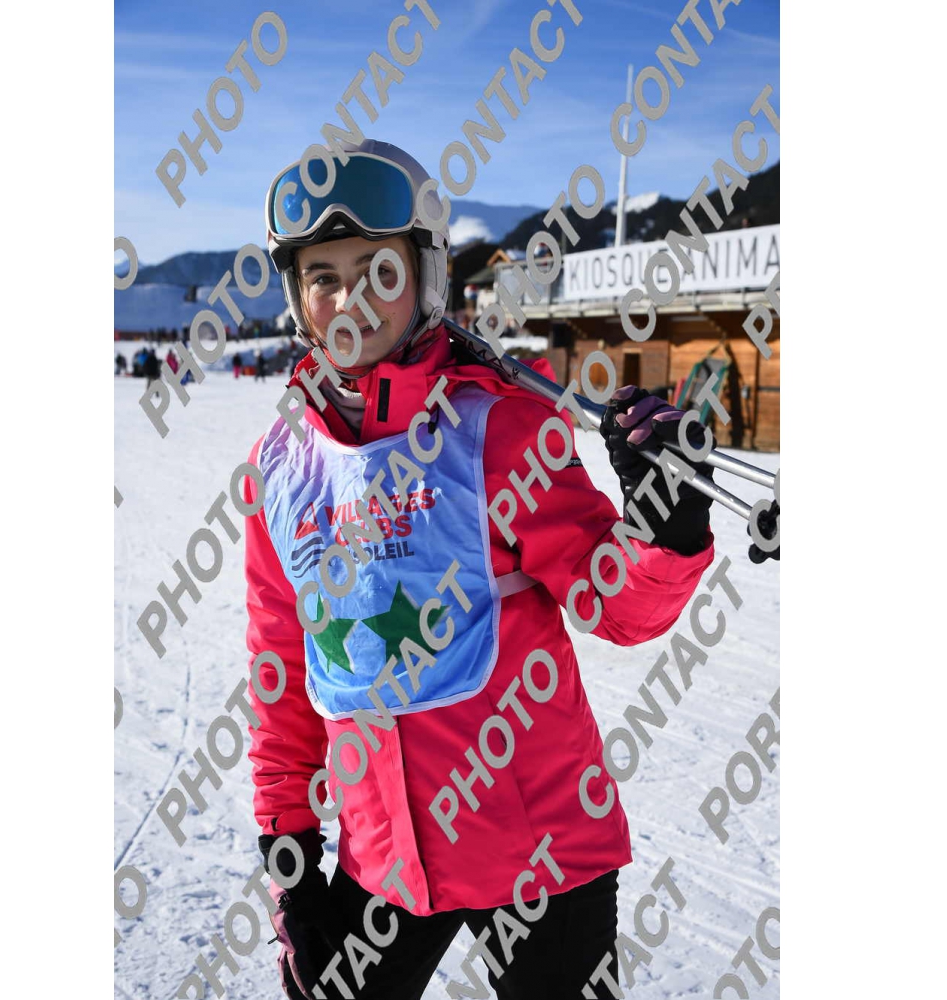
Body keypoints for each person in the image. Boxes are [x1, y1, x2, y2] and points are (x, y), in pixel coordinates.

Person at [241, 140, 716, 1000]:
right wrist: (291, 856)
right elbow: (282, 671)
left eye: (378, 271)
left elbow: (615, 605)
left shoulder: (497, 427)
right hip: (384, 861)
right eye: (323, 277)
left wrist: (663, 528)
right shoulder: (283, 469)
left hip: (542, 854)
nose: (350, 300)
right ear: (297, 295)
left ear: (424, 275)